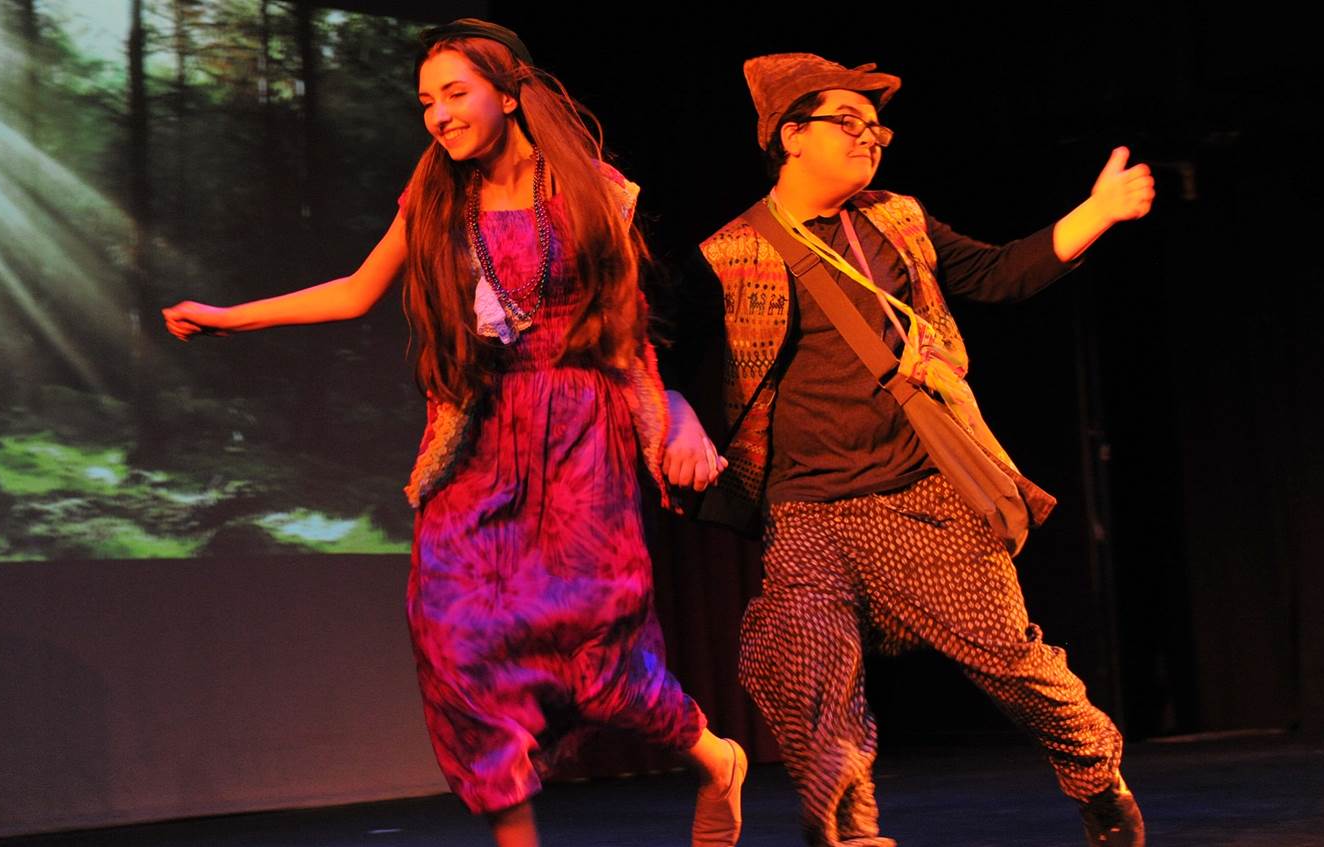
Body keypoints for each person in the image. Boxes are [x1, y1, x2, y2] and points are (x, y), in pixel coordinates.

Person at [162, 19, 745, 847]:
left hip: (579, 432)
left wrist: (667, 422)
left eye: (454, 93)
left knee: (596, 647)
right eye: (425, 101)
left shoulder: (591, 191)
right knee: (454, 637)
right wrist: (231, 317)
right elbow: (358, 289)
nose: (436, 115)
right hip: (479, 438)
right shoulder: (437, 194)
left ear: (508, 96)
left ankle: (715, 756)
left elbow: (629, 332)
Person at [683, 53, 1154, 847]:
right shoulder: (729, 255)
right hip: (805, 506)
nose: (870, 138)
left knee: (1013, 661)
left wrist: (1097, 211)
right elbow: (699, 377)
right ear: (790, 136)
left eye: (877, 127)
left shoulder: (896, 219)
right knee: (808, 662)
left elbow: (999, 273)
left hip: (924, 490)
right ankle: (852, 820)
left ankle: (1096, 775)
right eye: (849, 122)